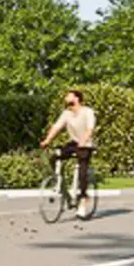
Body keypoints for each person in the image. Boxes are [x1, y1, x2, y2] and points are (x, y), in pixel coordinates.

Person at [40, 89, 97, 217]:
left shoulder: (88, 112)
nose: (66, 97)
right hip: (73, 143)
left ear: (76, 98)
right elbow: (56, 127)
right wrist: (47, 140)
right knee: (55, 157)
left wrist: (84, 140)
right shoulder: (66, 113)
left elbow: (90, 128)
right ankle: (59, 182)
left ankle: (83, 200)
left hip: (85, 145)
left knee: (82, 170)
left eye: (68, 96)